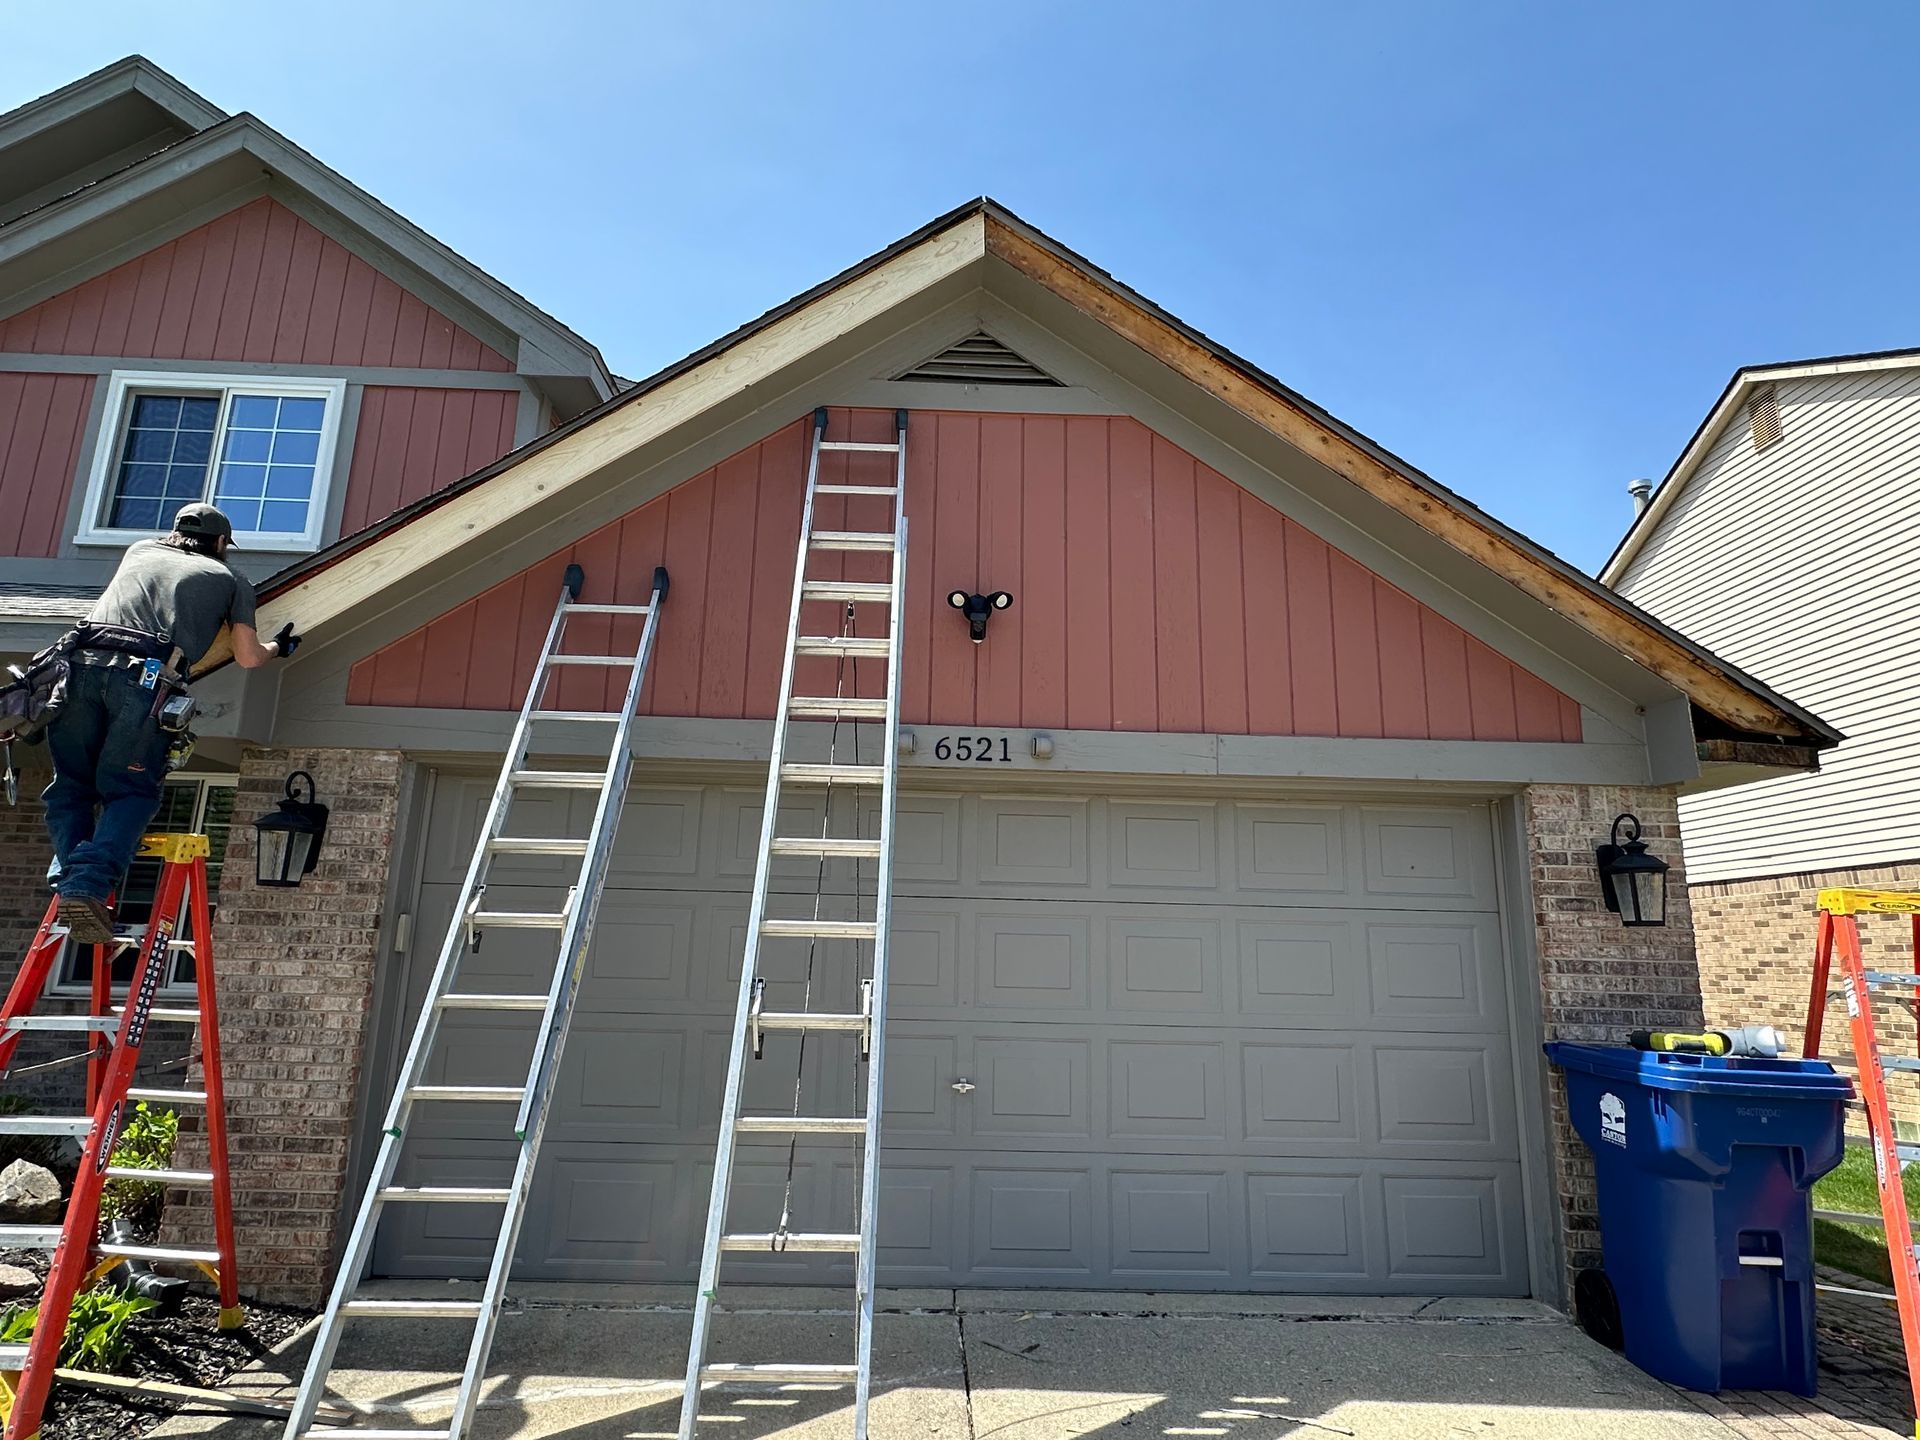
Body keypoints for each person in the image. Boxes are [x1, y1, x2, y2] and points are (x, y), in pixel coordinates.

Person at [45, 502, 300, 943]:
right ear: (221, 543)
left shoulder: (139, 550)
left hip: (76, 667)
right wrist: (280, 645)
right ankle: (85, 886)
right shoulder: (231, 579)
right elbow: (248, 656)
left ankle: (74, 883)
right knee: (130, 789)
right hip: (142, 679)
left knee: (70, 786)